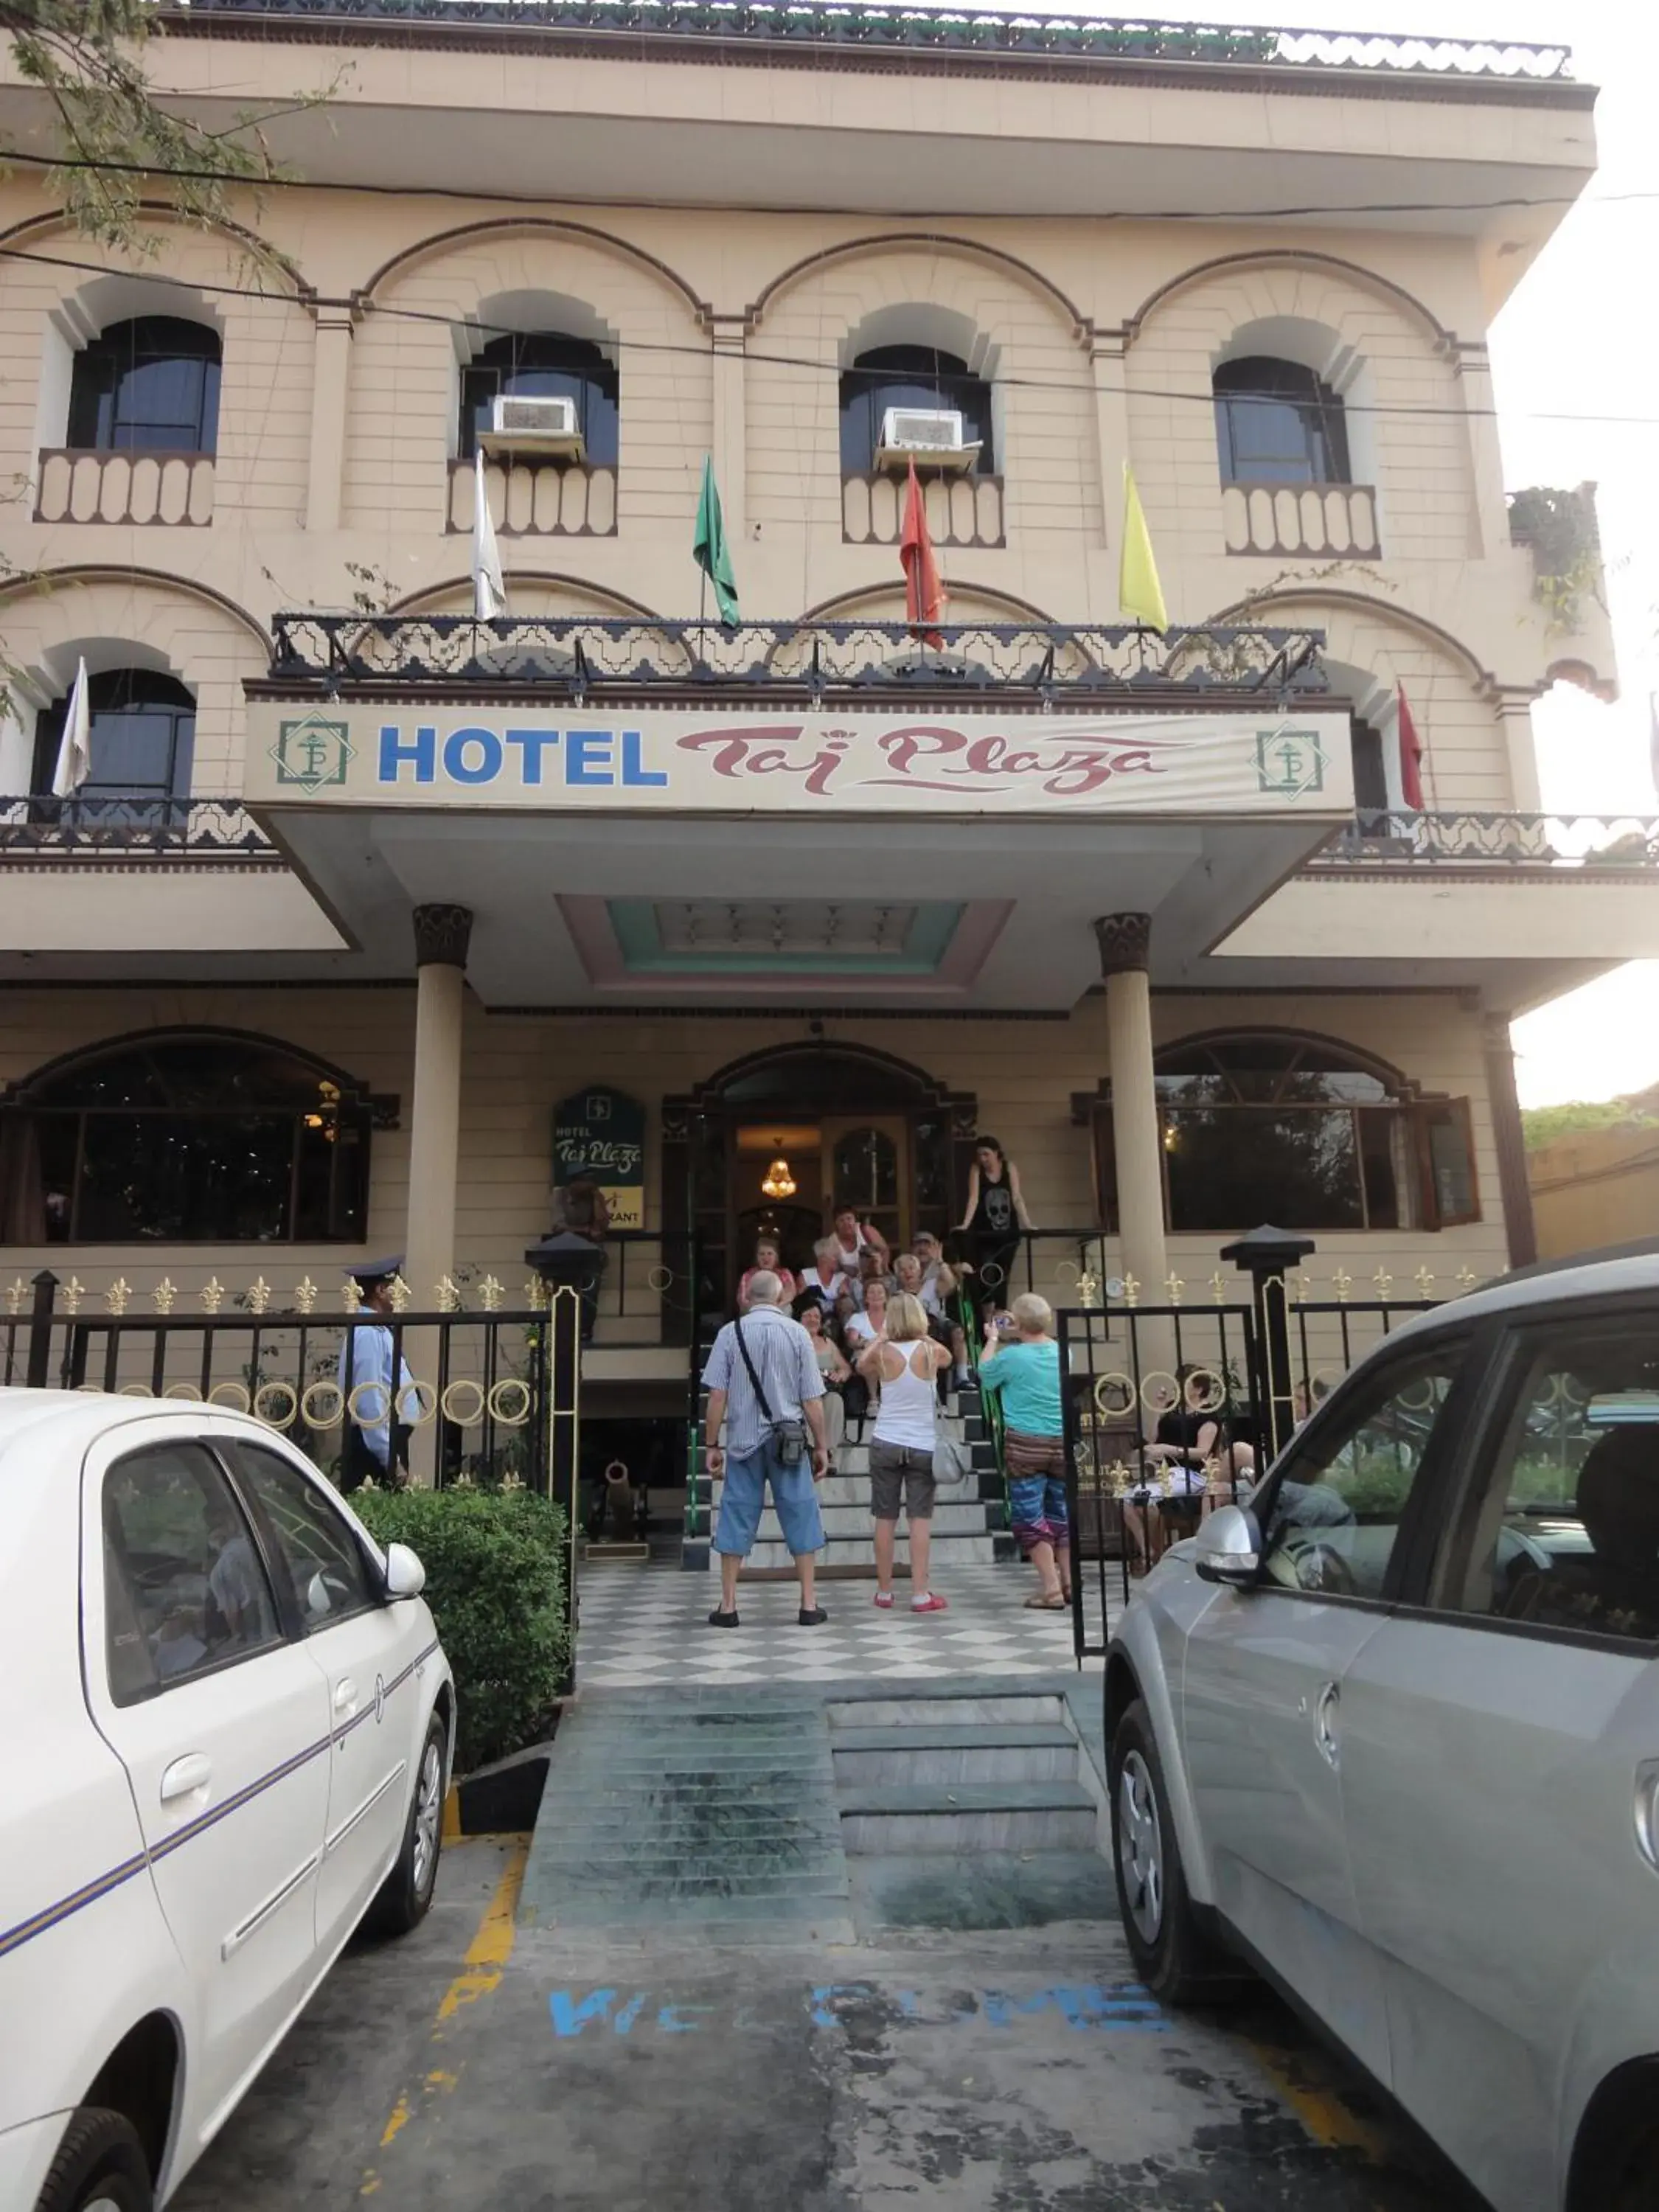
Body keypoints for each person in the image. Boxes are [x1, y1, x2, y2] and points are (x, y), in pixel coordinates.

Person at [701, 1270, 830, 1629]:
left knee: (736, 1516)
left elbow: (716, 1395)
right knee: (801, 1515)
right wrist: (822, 1446)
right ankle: (808, 1603)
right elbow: (812, 1400)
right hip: (787, 1443)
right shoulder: (797, 1334)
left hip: (743, 1442)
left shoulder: (730, 1334)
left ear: (747, 1296)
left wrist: (711, 1444)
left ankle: (728, 1606)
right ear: (780, 1298)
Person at [859, 1290, 953, 1613]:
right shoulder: (930, 1350)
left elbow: (860, 1365)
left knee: (884, 1518)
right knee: (919, 1521)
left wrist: (880, 1337)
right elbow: (950, 1357)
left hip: (886, 1441)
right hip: (923, 1444)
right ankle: (920, 1593)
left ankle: (884, 1592)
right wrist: (922, 1333)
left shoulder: (882, 1353)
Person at [978, 1292, 1071, 1610]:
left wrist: (992, 1339)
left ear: (1016, 1322)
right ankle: (1069, 1581)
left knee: (1031, 1516)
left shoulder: (1013, 1356)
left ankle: (1051, 1589)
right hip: (1061, 1441)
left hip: (1026, 1444)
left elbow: (985, 1376)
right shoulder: (1063, 1352)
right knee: (1060, 1512)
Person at [337, 1256, 419, 1491]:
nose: (404, 1292)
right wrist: (389, 1457)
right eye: (398, 1287)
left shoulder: (379, 1329)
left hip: (386, 1438)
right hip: (375, 1445)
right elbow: (368, 1402)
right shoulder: (369, 1333)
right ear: (382, 1290)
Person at [953, 1135, 1034, 1315]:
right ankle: (988, 1322)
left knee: (1003, 1276)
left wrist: (1027, 1224)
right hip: (986, 1232)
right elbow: (973, 1198)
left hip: (1008, 1232)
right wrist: (966, 1224)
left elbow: (1016, 1197)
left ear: (996, 1153)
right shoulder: (976, 1171)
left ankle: (999, 1324)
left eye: (986, 1154)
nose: (983, 1159)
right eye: (980, 1155)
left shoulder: (1009, 1168)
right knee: (987, 1275)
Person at [528, 1178, 611, 1343]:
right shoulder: (559, 1196)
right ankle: (563, 1331)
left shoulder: (594, 1196)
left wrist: (596, 1199)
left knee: (590, 1292)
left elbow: (602, 1224)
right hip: (565, 1253)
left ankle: (585, 1331)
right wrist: (586, 1230)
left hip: (590, 1253)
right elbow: (558, 1226)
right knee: (562, 1293)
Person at [913, 1228, 971, 1384]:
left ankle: (963, 1376)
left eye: (927, 1244)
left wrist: (940, 1261)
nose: (922, 1249)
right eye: (919, 1244)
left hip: (935, 1320)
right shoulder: (907, 1267)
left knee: (958, 1332)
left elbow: (949, 1286)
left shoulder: (940, 1270)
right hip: (910, 1321)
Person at [800, 1298, 853, 1467]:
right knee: (812, 1403)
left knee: (835, 1401)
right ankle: (812, 1449)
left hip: (827, 1390)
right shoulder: (794, 1341)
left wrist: (840, 1374)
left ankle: (828, 1452)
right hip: (803, 1392)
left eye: (816, 1316)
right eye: (807, 1315)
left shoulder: (828, 1343)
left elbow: (845, 1367)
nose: (812, 1319)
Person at [830, 1203, 890, 1280]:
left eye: (849, 1219)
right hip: (850, 1284)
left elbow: (884, 1250)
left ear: (855, 1220)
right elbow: (834, 1270)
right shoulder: (832, 1242)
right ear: (836, 1223)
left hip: (875, 1278)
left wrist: (882, 1271)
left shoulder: (866, 1231)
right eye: (841, 1220)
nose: (846, 1223)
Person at [738, 1235, 798, 1310]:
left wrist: (774, 1308)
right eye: (762, 1254)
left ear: (776, 1257)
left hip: (779, 1310)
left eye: (770, 1254)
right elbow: (743, 1299)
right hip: (754, 1311)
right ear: (757, 1257)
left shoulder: (784, 1274)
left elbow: (790, 1294)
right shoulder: (748, 1275)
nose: (766, 1258)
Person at [796, 1237, 850, 1315]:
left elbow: (844, 1306)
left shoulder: (842, 1278)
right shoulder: (806, 1275)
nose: (838, 1259)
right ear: (823, 1258)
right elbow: (799, 1302)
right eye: (835, 1256)